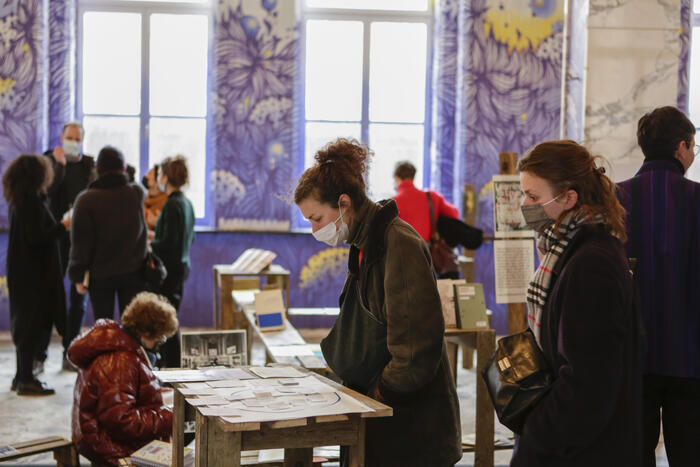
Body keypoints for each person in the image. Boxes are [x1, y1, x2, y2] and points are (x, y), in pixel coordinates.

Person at [294, 138, 461, 466]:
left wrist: (375, 399)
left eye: (316, 218)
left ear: (343, 203)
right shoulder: (364, 243)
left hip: (410, 430)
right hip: (381, 416)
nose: (315, 229)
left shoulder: (398, 245)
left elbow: (414, 355)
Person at [511, 140, 641, 466]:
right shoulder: (566, 248)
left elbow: (587, 384)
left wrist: (536, 440)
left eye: (533, 196)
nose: (523, 205)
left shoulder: (591, 263)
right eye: (523, 194)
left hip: (585, 448)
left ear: (569, 197)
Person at [617, 106, 700, 467]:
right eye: (694, 146)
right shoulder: (698, 199)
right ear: (681, 146)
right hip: (692, 354)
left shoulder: (613, 199)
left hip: (630, 354)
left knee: (633, 453)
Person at [68, 292, 176, 466]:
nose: (158, 345)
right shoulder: (121, 362)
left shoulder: (118, 344)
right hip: (108, 445)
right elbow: (123, 422)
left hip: (99, 435)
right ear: (147, 333)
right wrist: (170, 416)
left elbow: (119, 400)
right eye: (160, 339)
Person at [3, 154, 69, 395]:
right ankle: (26, 380)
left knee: (25, 325)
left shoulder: (22, 200)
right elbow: (38, 237)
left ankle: (22, 376)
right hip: (33, 277)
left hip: (24, 273)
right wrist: (63, 227)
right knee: (30, 327)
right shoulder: (30, 203)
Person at [35, 121, 96, 373]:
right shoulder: (49, 161)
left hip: (80, 241)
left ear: (82, 139)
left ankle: (70, 353)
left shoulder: (89, 165)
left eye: (77, 138)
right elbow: (44, 193)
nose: (72, 141)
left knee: (77, 300)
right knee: (47, 297)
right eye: (69, 137)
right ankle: (38, 355)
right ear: (61, 137)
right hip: (53, 238)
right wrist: (59, 166)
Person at [68, 146, 149, 320]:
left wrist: (78, 275)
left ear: (98, 169)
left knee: (104, 328)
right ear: (124, 168)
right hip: (133, 272)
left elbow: (81, 243)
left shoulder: (85, 200)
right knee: (133, 327)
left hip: (100, 276)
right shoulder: (136, 193)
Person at [150, 155, 195, 367]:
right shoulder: (187, 203)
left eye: (159, 174)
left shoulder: (171, 205)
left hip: (169, 270)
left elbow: (166, 243)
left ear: (165, 177)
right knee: (171, 318)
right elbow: (189, 237)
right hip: (182, 267)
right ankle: (172, 365)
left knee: (166, 321)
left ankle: (171, 367)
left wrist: (151, 241)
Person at [392, 160, 461, 278]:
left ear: (397, 178)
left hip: (403, 259)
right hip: (427, 256)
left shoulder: (393, 202)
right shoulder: (432, 197)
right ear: (413, 176)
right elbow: (454, 213)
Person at [142, 164, 167, 230]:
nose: (145, 176)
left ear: (157, 181)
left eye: (150, 174)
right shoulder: (143, 199)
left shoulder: (165, 202)